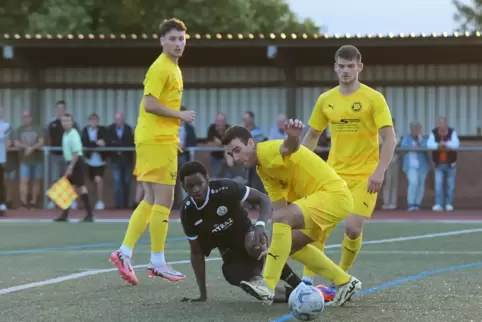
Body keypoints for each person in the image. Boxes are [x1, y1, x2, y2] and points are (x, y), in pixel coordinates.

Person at [222, 122, 361, 307]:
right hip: (322, 201)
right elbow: (279, 210)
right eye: (231, 154)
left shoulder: (267, 150)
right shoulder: (262, 169)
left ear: (251, 142)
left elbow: (289, 147)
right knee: (292, 246)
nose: (236, 157)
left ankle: (267, 284)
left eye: (238, 150)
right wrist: (272, 247)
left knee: (282, 222)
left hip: (333, 196)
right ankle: (345, 282)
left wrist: (294, 136)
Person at [301, 45, 396, 290]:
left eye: (350, 66)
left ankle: (341, 279)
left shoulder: (374, 99)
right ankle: (306, 282)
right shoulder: (326, 100)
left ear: (359, 67)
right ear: (335, 68)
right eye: (341, 66)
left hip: (365, 177)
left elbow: (390, 138)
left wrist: (379, 171)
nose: (345, 71)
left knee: (353, 228)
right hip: (333, 175)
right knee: (317, 229)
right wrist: (298, 166)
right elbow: (312, 135)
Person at [109, 18, 196, 285]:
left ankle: (124, 252)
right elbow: (149, 104)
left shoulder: (172, 67)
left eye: (181, 39)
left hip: (153, 139)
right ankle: (157, 261)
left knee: (149, 199)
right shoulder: (162, 68)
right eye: (172, 39)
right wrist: (179, 115)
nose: (178, 44)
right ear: (161, 40)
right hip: (157, 140)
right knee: (164, 201)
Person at [179, 161, 301, 303]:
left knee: (255, 245)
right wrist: (202, 294)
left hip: (247, 236)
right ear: (183, 187)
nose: (196, 189)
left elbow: (263, 199)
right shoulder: (188, 212)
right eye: (190, 186)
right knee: (234, 276)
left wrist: (260, 226)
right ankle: (293, 293)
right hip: (230, 254)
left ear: (206, 179)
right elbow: (196, 253)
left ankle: (299, 285)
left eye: (199, 183)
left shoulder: (225, 188)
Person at [53, 113, 94, 222]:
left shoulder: (73, 134)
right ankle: (65, 214)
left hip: (76, 163)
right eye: (64, 121)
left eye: (68, 121)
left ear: (72, 122)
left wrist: (71, 167)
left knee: (81, 187)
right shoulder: (65, 134)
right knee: (67, 188)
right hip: (70, 162)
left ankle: (89, 214)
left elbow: (76, 152)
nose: (66, 123)